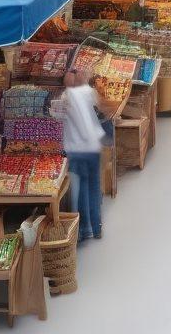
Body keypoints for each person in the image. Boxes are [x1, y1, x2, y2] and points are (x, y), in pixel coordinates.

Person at [52, 69, 104, 242]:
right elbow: (98, 104)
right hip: (92, 147)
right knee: (93, 187)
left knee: (81, 188)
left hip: (76, 150)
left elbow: (56, 116)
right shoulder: (88, 92)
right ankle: (97, 228)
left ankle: (83, 230)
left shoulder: (65, 97)